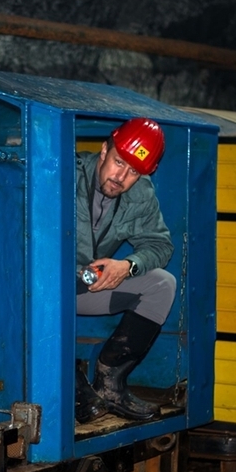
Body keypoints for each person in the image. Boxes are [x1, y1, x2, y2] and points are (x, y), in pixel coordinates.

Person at [74, 117, 176, 424]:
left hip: (85, 286)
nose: (122, 176)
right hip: (36, 291)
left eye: (134, 171)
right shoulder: (62, 175)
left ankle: (110, 385)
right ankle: (70, 386)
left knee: (162, 284)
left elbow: (160, 245)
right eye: (119, 162)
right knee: (41, 291)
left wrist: (127, 266)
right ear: (104, 150)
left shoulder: (140, 194)